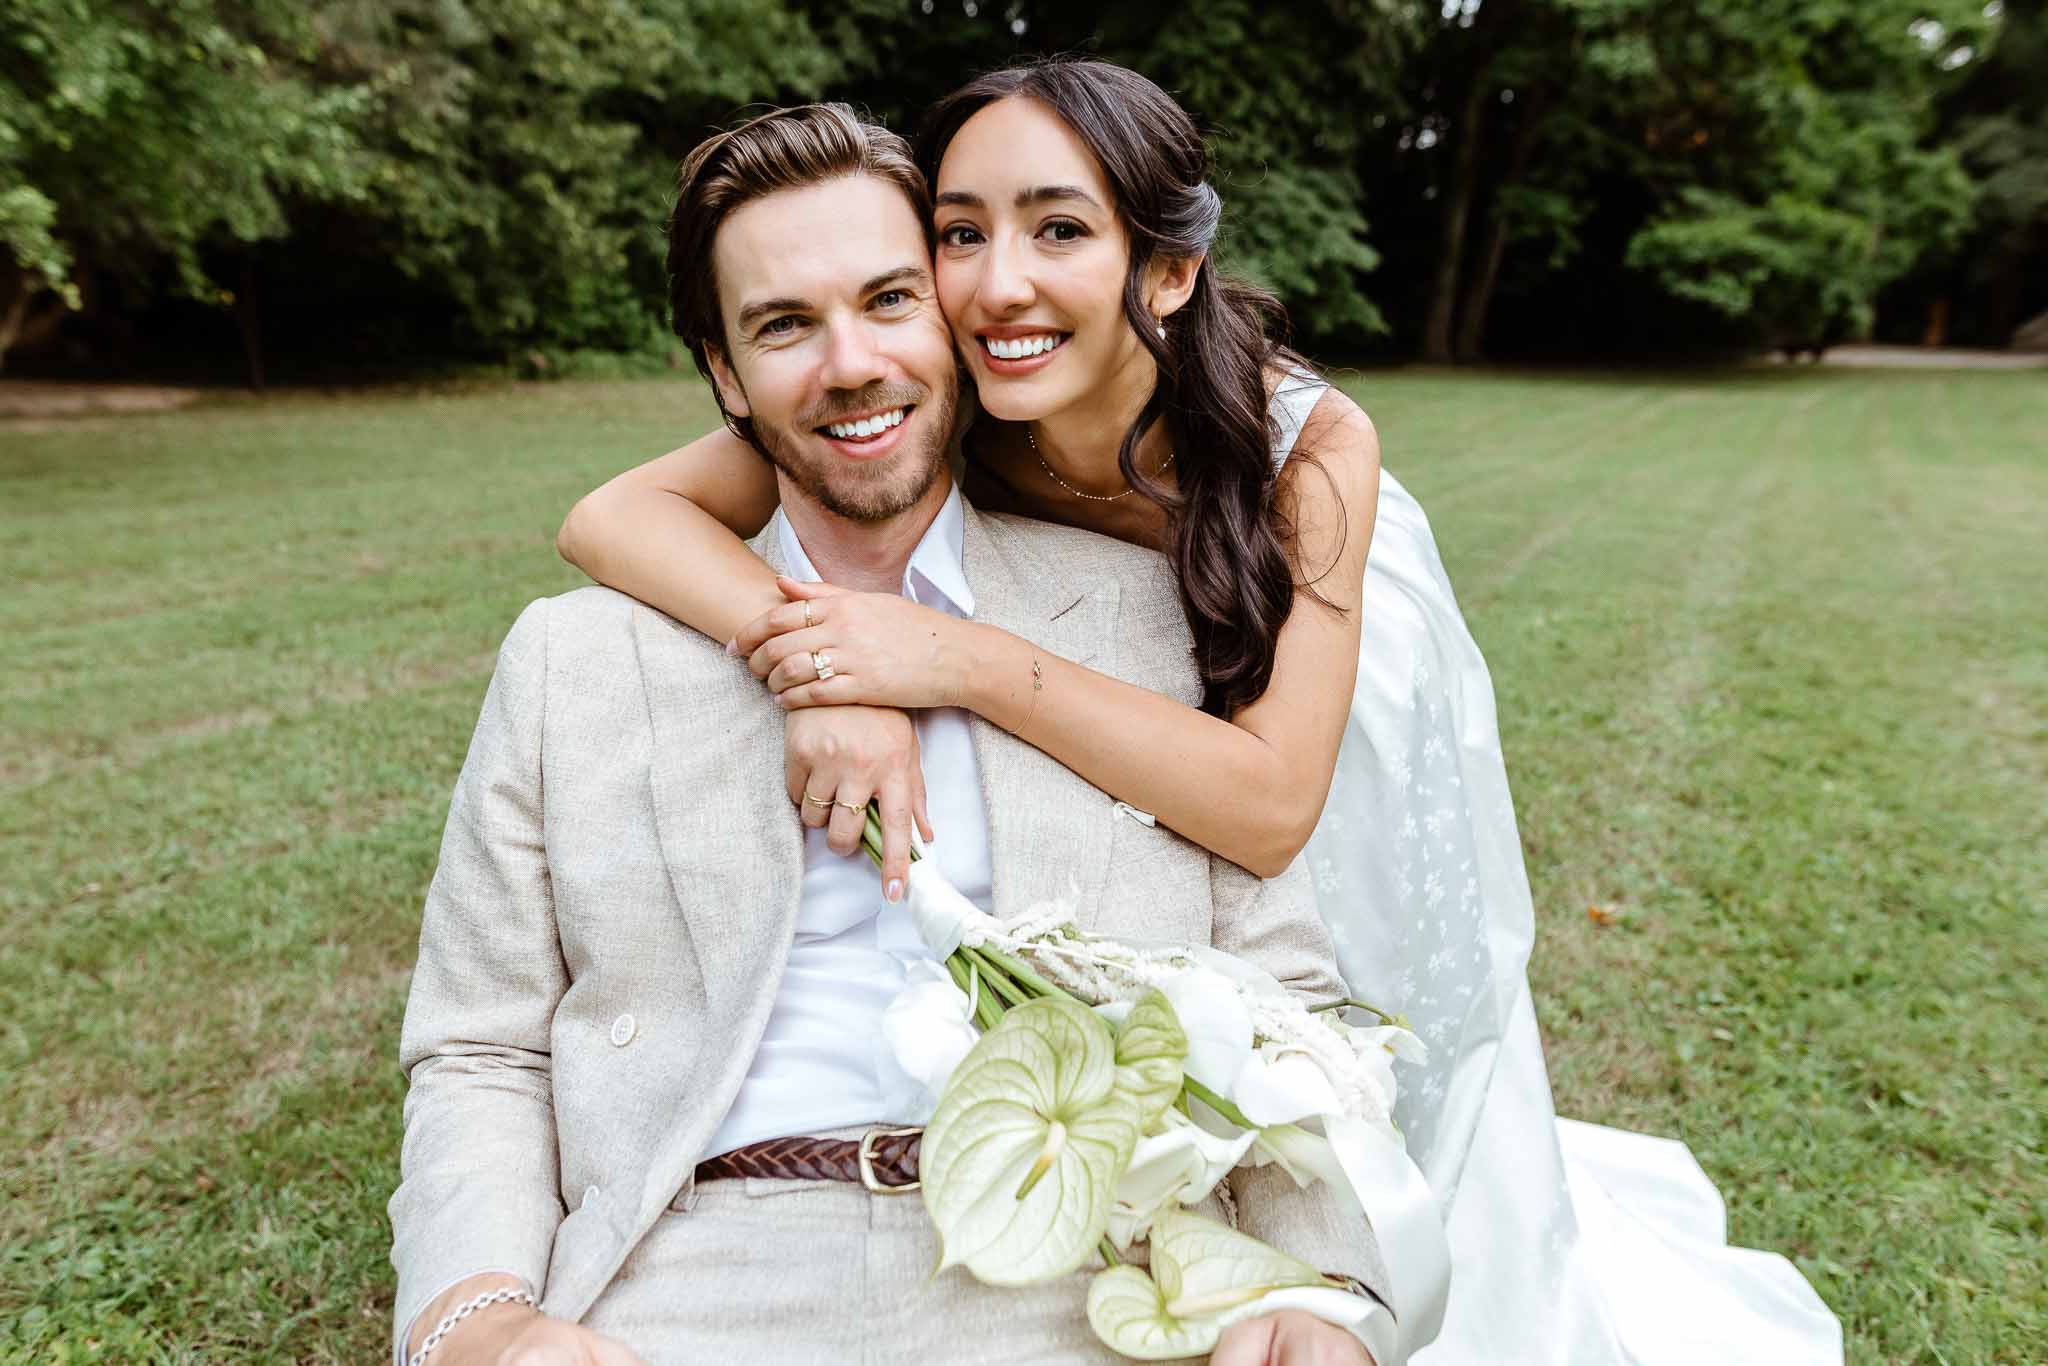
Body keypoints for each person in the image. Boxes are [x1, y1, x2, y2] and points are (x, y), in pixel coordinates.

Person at [557, 58, 1844, 1365]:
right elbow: (609, 516)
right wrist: (818, 666)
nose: (997, 282)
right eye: (960, 232)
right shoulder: (952, 399)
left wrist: (952, 657)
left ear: (1166, 269)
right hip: (1128, 717)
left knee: (1365, 1034)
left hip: (1318, 733)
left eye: (1060, 228)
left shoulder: (1310, 446)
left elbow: (1275, 804)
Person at [389, 102, 1397, 1366]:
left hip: (1083, 1265)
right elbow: (479, 1046)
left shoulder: (1157, 616)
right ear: (722, 373)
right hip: (686, 1273)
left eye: (885, 300)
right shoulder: (575, 660)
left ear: (951, 323)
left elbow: (1278, 1001)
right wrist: (478, 1323)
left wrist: (1319, 1294)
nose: (850, 363)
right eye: (781, 325)